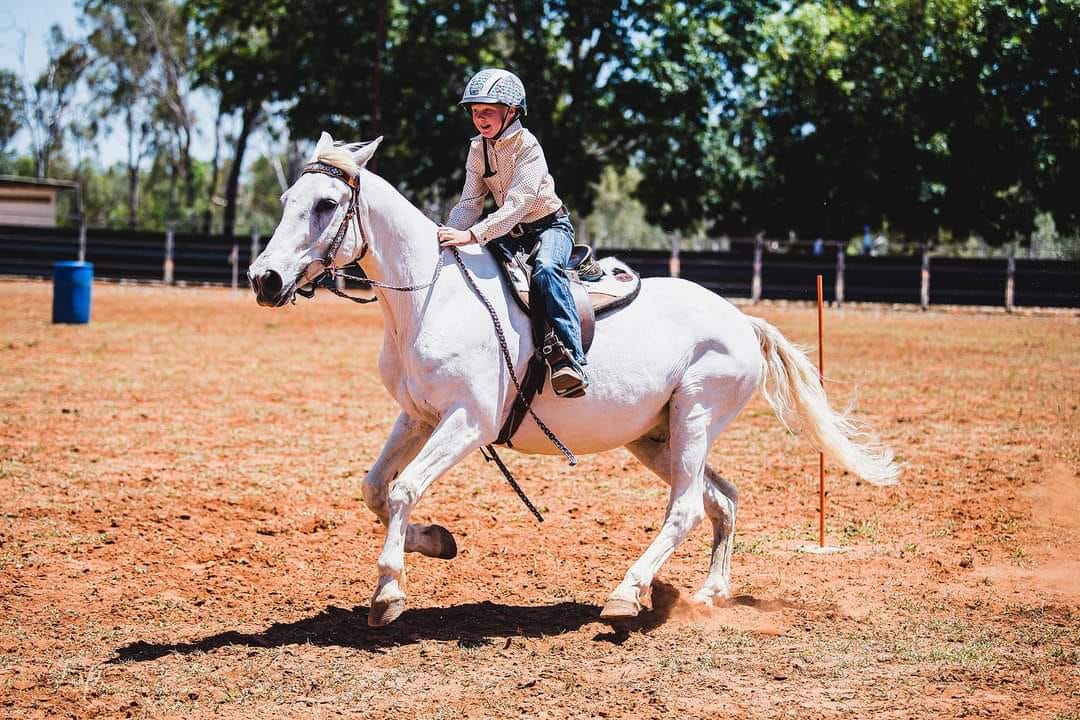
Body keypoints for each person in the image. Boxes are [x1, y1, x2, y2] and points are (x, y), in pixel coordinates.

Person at [437, 68, 588, 398]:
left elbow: (518, 204)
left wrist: (474, 236)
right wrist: (448, 233)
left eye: (488, 110)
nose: (480, 118)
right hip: (509, 233)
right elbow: (470, 202)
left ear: (512, 111)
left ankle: (569, 357)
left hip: (550, 227)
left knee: (546, 272)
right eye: (476, 112)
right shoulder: (478, 148)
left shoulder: (528, 146)